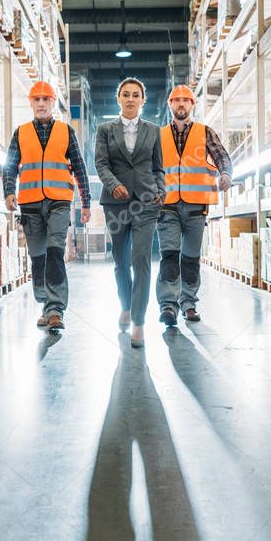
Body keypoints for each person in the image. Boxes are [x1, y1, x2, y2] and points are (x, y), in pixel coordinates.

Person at [2, 81, 91, 331]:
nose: (41, 103)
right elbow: (10, 166)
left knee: (54, 251)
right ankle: (45, 301)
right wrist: (9, 192)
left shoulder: (65, 131)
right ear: (30, 103)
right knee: (38, 257)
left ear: (53, 103)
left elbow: (80, 167)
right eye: (36, 99)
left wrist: (86, 201)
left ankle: (55, 309)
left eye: (46, 99)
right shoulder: (20, 133)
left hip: (59, 202)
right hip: (30, 204)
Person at [94, 78, 165, 347]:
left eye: (136, 95)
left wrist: (160, 190)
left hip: (147, 202)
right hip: (116, 203)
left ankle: (138, 321)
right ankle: (125, 304)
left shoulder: (154, 130)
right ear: (119, 99)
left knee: (141, 260)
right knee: (120, 260)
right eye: (126, 94)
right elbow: (101, 163)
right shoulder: (105, 130)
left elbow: (158, 168)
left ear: (143, 100)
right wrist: (114, 186)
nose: (131, 99)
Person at [156, 85, 233, 326]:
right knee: (169, 255)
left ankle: (188, 303)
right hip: (166, 206)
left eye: (185, 101)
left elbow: (222, 156)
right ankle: (168, 305)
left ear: (192, 105)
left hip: (196, 208)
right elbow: (149, 168)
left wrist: (226, 174)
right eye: (176, 100)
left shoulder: (204, 132)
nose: (181, 104)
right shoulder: (158, 136)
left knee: (190, 258)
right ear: (170, 105)